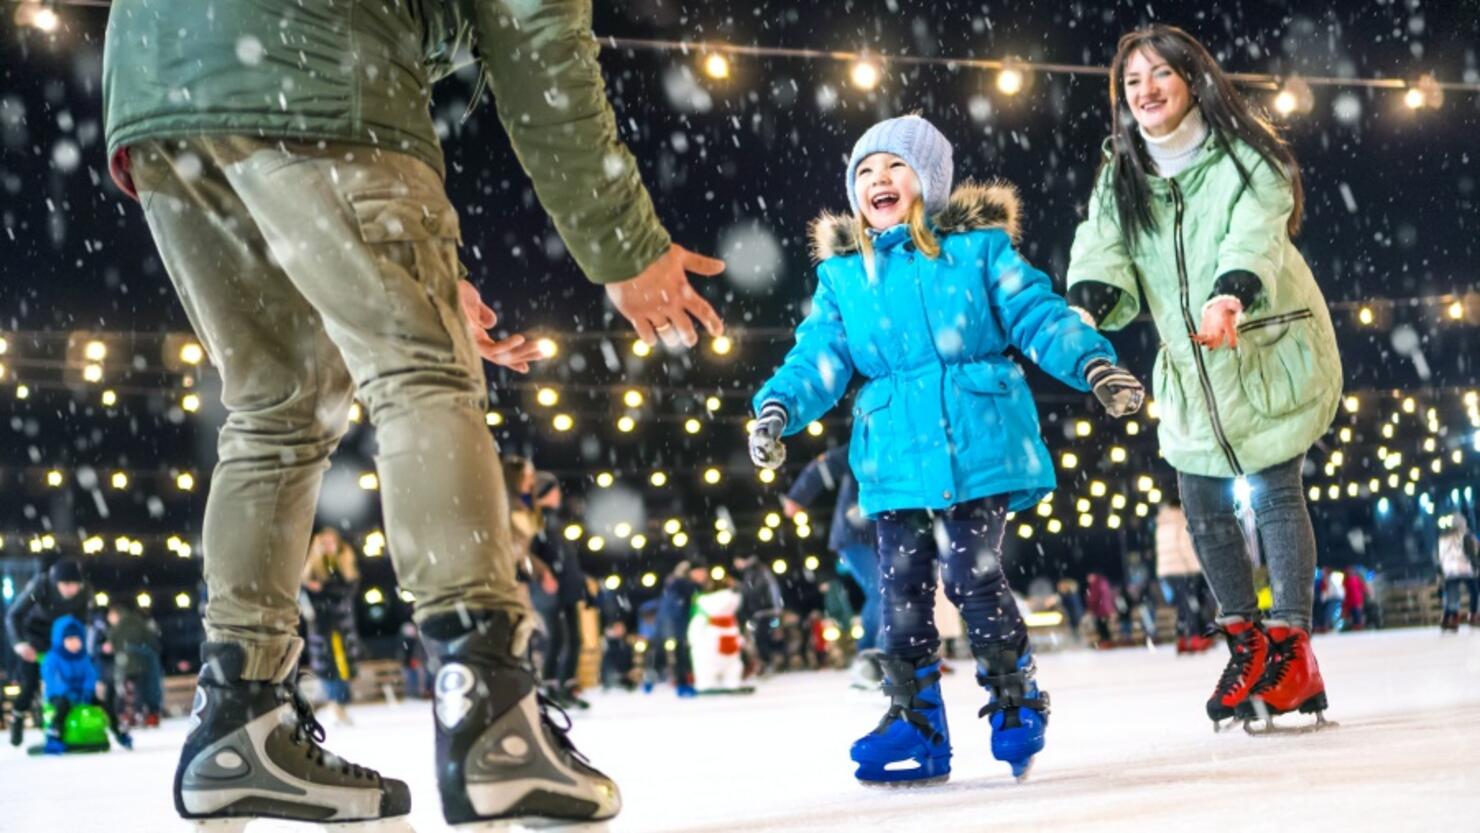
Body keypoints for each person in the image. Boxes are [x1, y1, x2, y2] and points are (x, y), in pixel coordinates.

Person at [102, 0, 726, 823]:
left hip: (161, 80)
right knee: (423, 375)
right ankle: (489, 708)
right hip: (309, 61)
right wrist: (622, 241)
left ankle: (238, 719)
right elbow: (535, 30)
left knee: (276, 406)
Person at [748, 114, 1144, 785]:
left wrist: (1094, 366)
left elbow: (1039, 315)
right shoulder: (846, 276)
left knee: (969, 575)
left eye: (895, 167)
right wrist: (777, 406)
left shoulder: (980, 251)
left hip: (978, 443)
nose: (879, 179)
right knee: (899, 592)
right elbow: (818, 356)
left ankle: (1015, 698)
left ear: (927, 181)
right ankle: (917, 722)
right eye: (865, 172)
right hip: (895, 458)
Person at [1066, 25, 1341, 730]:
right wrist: (1083, 310)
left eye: (1160, 74)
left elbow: (1256, 228)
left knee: (1277, 491)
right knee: (1202, 501)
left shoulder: (1247, 158)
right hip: (1191, 367)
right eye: (1132, 82)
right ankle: (1246, 645)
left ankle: (1291, 645)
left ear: (1192, 80)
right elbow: (1103, 246)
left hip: (1262, 345)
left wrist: (1232, 293)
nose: (1146, 91)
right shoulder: (1122, 174)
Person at [783, 445, 880, 655]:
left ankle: (913, 650)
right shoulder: (870, 440)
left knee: (905, 589)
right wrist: (798, 496)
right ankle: (869, 652)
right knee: (882, 592)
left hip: (885, 533)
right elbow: (826, 463)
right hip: (855, 534)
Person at [6, 559, 90, 748]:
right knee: (30, 684)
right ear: (56, 582)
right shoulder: (41, 585)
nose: (71, 589)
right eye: (66, 585)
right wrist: (20, 643)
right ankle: (18, 716)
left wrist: (80, 646)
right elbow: (13, 615)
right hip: (33, 639)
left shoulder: (83, 593)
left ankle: (63, 726)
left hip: (62, 641)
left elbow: (82, 622)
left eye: (75, 585)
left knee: (70, 685)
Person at [530, 472, 590, 707]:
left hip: (564, 587)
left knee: (571, 638)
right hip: (552, 589)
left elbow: (563, 556)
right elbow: (531, 554)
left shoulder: (551, 520)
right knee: (558, 638)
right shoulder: (536, 521)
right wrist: (545, 574)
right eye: (555, 491)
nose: (559, 495)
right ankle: (553, 688)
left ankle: (563, 687)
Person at [40, 615, 131, 754]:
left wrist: (87, 690)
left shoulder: (83, 658)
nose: (74, 643)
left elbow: (90, 675)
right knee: (62, 707)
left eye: (77, 640)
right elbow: (52, 678)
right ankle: (54, 734)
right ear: (61, 641)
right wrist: (64, 691)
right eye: (69, 640)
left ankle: (118, 731)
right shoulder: (52, 658)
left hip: (82, 693)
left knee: (105, 705)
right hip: (59, 694)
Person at [301, 528, 362, 725]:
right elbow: (308, 594)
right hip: (321, 627)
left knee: (343, 667)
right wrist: (322, 592)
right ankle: (335, 704)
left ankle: (340, 704)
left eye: (330, 542)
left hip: (342, 625)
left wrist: (324, 590)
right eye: (323, 542)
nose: (327, 546)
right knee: (327, 667)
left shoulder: (345, 566)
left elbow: (345, 593)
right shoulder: (311, 569)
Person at [1156, 502, 1214, 653]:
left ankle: (1182, 638)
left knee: (1182, 606)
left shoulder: (1162, 523)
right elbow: (1185, 547)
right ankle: (1196, 637)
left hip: (1166, 571)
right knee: (1191, 605)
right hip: (1183, 570)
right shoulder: (1180, 521)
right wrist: (1196, 568)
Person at [104, 602, 165, 726]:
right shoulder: (138, 621)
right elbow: (152, 641)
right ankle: (149, 714)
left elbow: (112, 644)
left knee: (132, 691)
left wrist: (111, 645)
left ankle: (134, 715)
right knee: (147, 689)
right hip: (146, 664)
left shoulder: (122, 626)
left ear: (115, 614)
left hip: (129, 665)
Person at [734, 555, 786, 676]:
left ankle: (769, 662)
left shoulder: (758, 572)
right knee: (760, 638)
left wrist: (776, 607)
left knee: (763, 638)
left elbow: (764, 590)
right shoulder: (752, 572)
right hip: (760, 611)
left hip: (765, 611)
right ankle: (767, 662)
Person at [1437, 514, 1479, 631]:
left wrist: (1440, 571)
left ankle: (1449, 618)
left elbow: (1440, 555)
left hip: (1449, 569)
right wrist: (1476, 567)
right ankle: (1473, 615)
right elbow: (1470, 553)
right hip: (1464, 567)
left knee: (1451, 595)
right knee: (1474, 591)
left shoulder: (1443, 537)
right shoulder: (1465, 535)